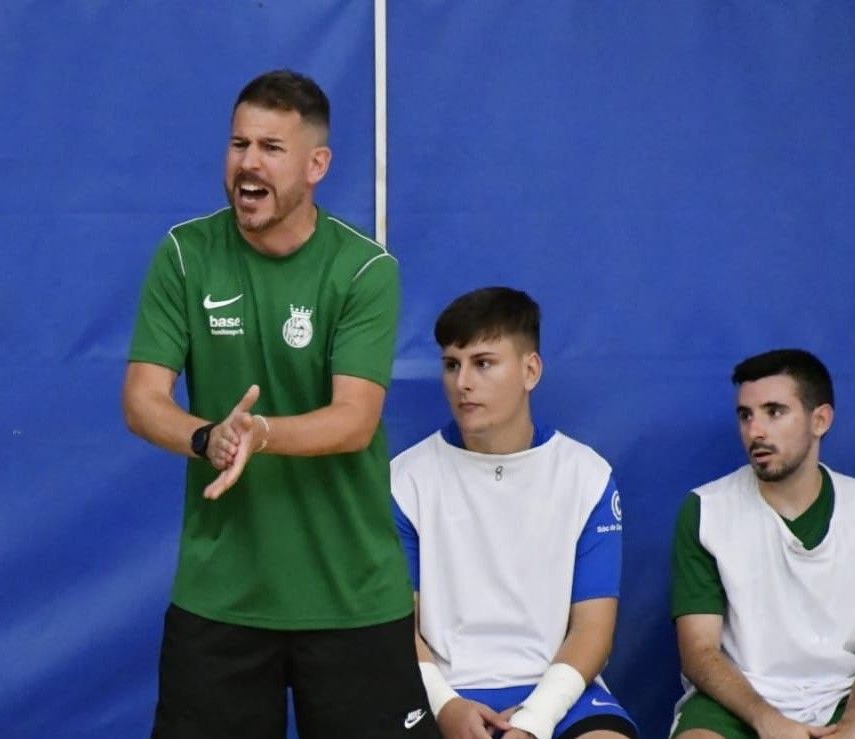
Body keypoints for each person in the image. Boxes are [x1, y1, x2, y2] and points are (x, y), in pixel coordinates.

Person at [123, 69, 439, 739]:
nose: (248, 163)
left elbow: (354, 420)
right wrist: (207, 436)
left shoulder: (363, 270)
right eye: (239, 144)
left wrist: (258, 433)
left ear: (316, 165)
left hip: (350, 595)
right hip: (221, 596)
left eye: (271, 147)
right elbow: (143, 399)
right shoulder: (185, 255)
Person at [391, 287, 639, 739]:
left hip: (554, 689)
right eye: (452, 364)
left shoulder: (586, 475)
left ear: (530, 371)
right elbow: (396, 625)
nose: (463, 382)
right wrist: (446, 706)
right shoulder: (405, 479)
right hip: (441, 689)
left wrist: (536, 719)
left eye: (483, 363)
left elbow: (593, 629)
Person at [670, 349, 855, 739]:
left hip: (842, 693)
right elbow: (699, 652)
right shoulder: (706, 510)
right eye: (745, 415)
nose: (755, 431)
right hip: (739, 699)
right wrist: (766, 719)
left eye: (774, 412)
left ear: (820, 420)